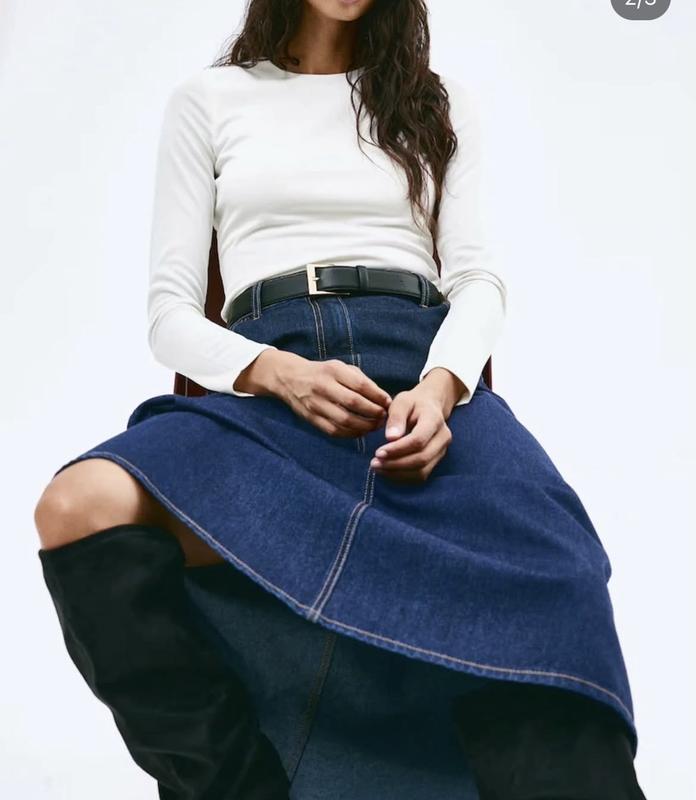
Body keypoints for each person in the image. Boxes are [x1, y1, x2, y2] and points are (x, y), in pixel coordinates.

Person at [34, 1, 647, 798]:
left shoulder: (436, 102)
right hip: (271, 378)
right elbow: (169, 315)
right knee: (78, 505)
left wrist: (441, 386)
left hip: (420, 374)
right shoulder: (209, 101)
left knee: (555, 573)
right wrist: (276, 372)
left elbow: (476, 279)